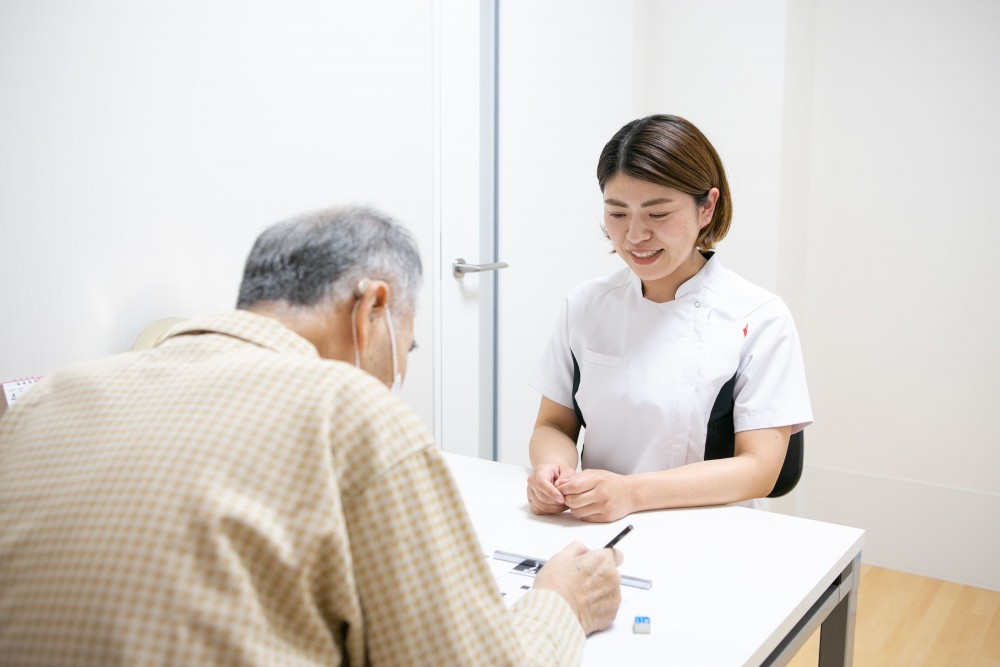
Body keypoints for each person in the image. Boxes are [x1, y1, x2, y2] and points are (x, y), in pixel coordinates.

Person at [0, 206, 623, 666]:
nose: (396, 374)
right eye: (403, 347)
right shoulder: (350, 415)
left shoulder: (48, 397)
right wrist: (563, 602)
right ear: (371, 309)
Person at [527, 115, 813, 523]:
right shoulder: (586, 305)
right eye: (618, 214)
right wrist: (552, 469)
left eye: (657, 214)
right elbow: (553, 425)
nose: (635, 235)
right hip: (594, 521)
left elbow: (760, 470)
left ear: (707, 207)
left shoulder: (759, 318)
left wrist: (630, 493)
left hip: (708, 528)